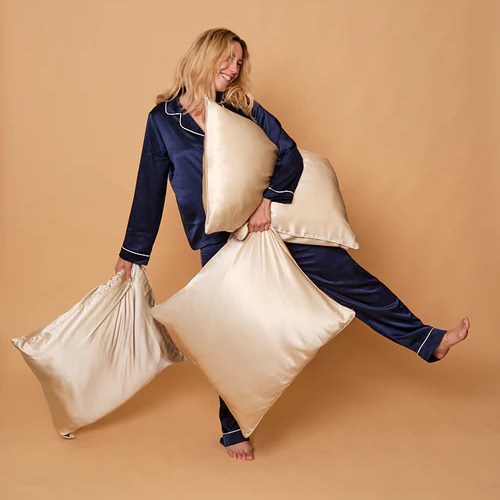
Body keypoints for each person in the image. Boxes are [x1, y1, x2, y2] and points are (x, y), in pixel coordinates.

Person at [115, 28, 469, 462]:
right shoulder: (163, 120)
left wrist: (268, 201)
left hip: (270, 227)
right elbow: (149, 189)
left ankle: (426, 339)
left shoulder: (243, 109)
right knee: (234, 331)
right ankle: (234, 429)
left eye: (240, 62)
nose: (234, 69)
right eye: (228, 58)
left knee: (344, 274)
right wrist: (132, 254)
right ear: (205, 56)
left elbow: (289, 153)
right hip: (216, 239)